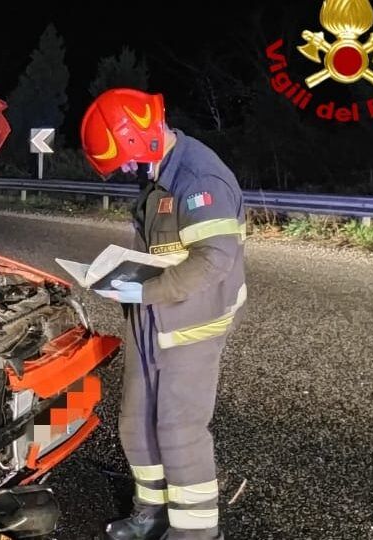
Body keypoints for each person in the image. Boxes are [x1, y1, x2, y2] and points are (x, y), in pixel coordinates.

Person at [80, 88, 246, 540]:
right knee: (136, 423)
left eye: (127, 164)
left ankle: (194, 532)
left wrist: (145, 288)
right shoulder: (158, 173)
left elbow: (213, 261)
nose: (129, 174)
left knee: (178, 429)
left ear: (142, 141)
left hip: (191, 320)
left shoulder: (200, 179)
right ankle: (150, 512)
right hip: (150, 315)